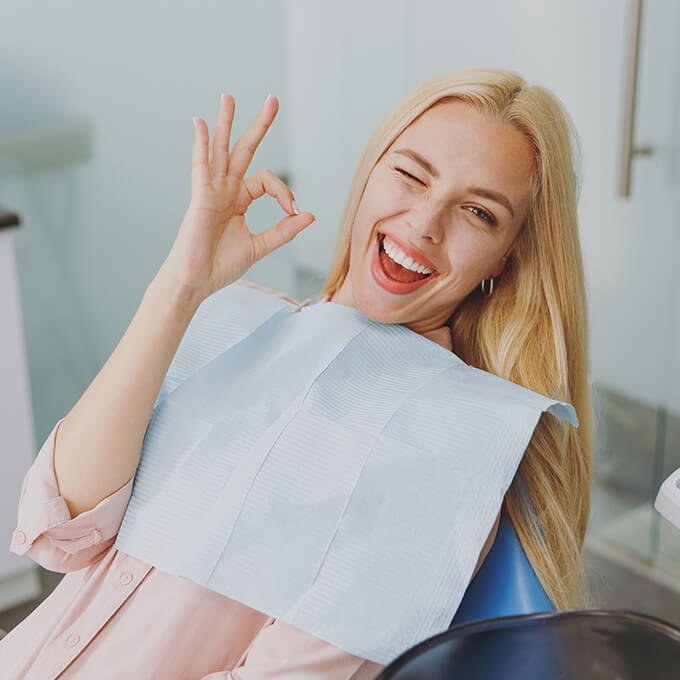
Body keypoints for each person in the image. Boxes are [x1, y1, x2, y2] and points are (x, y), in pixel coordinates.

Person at [0, 66, 594, 678]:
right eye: (412, 175)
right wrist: (178, 289)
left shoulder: (446, 445)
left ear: (508, 256)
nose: (424, 223)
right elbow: (59, 529)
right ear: (370, 173)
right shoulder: (240, 322)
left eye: (478, 212)